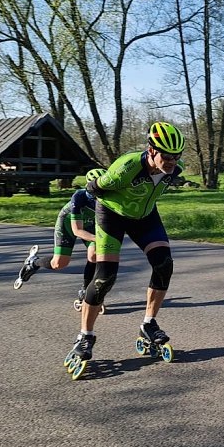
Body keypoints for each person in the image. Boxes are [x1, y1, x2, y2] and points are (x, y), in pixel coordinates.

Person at [67, 122, 186, 366]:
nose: (172, 161)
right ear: (151, 150)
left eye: (177, 156)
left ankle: (149, 324)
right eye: (167, 155)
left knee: (164, 265)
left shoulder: (174, 170)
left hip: (145, 218)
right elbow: (94, 188)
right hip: (112, 216)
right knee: (105, 277)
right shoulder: (127, 166)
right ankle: (84, 336)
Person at [14, 168, 107, 302]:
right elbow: (77, 230)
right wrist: (99, 238)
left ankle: (85, 291)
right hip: (69, 223)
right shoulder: (79, 196)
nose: (101, 192)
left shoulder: (111, 195)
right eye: (97, 188)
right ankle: (33, 263)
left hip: (91, 224)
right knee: (59, 264)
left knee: (94, 254)